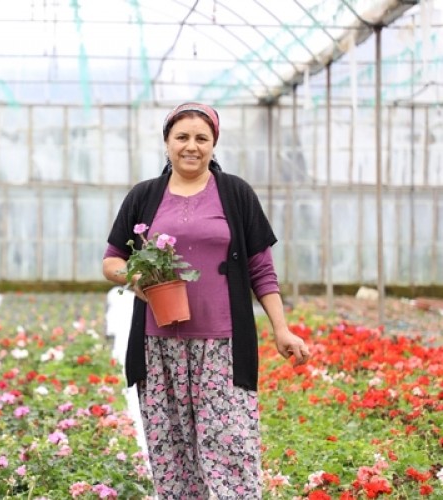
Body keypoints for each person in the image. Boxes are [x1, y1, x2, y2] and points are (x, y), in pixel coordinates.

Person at [102, 102, 310, 499]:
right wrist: (136, 277)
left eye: (202, 138)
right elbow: (112, 260)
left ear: (214, 143)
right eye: (182, 137)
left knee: (231, 448)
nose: (191, 146)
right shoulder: (144, 196)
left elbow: (261, 270)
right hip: (158, 346)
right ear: (167, 143)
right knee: (173, 455)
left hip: (223, 346)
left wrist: (281, 330)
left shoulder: (235, 193)